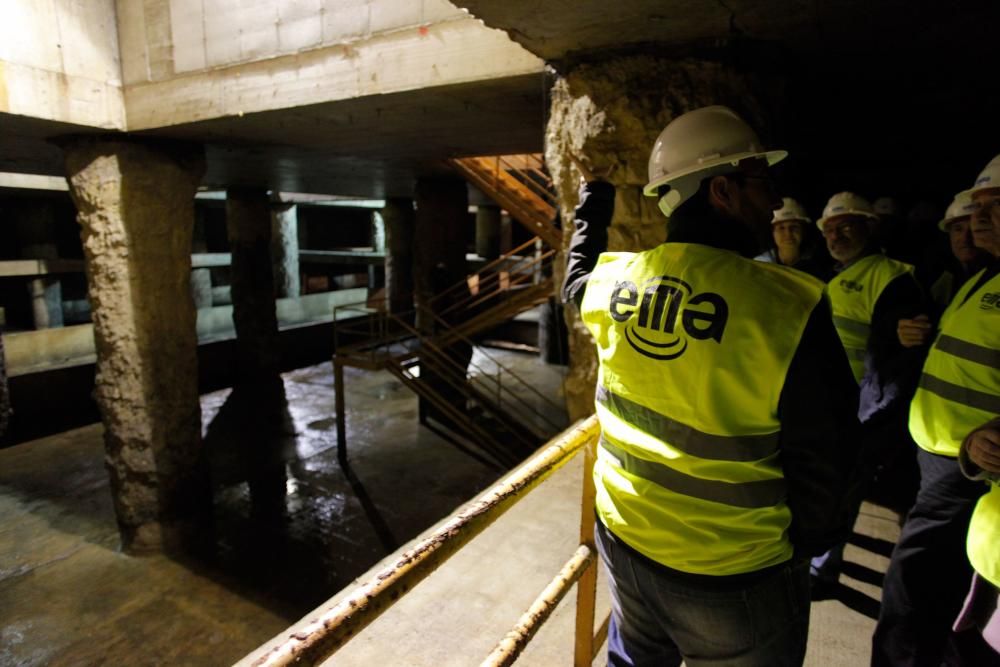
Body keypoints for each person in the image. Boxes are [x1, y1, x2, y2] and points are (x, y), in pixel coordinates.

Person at [562, 105, 862, 666]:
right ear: (721, 191)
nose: (774, 202)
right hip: (734, 573)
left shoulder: (617, 280)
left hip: (626, 538)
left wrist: (594, 195)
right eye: (762, 183)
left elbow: (574, 278)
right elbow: (831, 454)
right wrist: (801, 548)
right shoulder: (788, 304)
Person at [872, 153, 1000, 666]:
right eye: (974, 211)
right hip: (946, 464)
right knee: (939, 606)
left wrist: (971, 445)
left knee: (911, 599)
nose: (978, 220)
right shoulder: (981, 279)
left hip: (969, 473)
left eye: (996, 207)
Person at [926, 190, 991, 317]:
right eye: (958, 229)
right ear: (948, 234)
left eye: (973, 228)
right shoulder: (938, 276)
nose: (965, 238)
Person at [754, 197, 833, 280]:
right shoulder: (760, 265)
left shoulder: (819, 265)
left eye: (794, 227)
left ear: (803, 231)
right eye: (781, 228)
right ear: (772, 232)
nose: (788, 234)